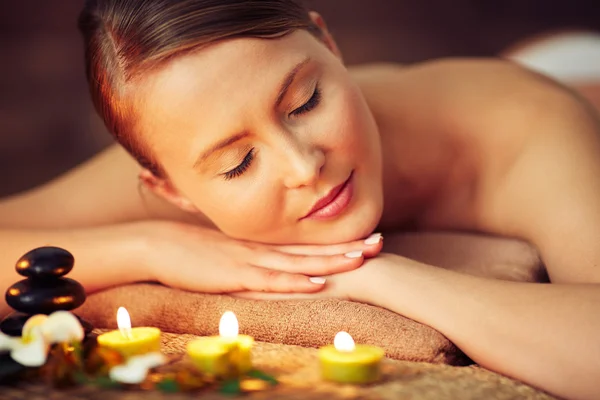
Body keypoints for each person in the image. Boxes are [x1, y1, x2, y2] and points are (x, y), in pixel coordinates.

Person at [1, 1, 599, 398]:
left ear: (332, 45)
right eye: (238, 164)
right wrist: (150, 246)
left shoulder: (522, 125)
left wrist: (380, 279)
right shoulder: (180, 154)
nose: (302, 165)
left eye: (306, 102)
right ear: (172, 192)